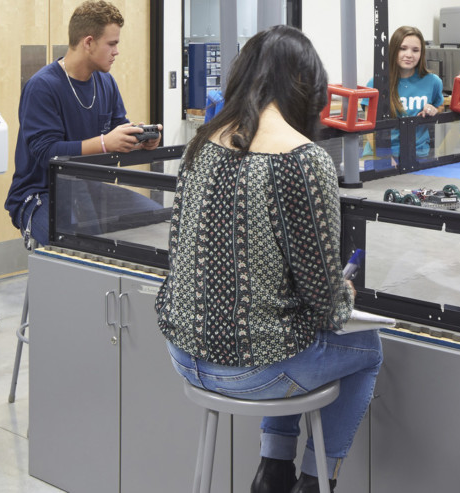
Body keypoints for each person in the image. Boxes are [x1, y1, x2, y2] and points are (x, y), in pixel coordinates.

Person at [157, 25, 382, 493]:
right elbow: (324, 302)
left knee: (286, 330)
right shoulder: (303, 159)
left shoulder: (202, 144)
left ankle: (272, 469)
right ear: (308, 84)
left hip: (183, 353)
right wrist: (345, 294)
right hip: (254, 373)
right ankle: (316, 481)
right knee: (367, 350)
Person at [4, 0, 161, 248]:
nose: (116, 51)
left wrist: (139, 139)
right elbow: (46, 152)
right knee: (76, 247)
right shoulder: (43, 87)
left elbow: (117, 129)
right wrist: (104, 143)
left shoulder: (106, 83)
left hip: (89, 191)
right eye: (112, 44)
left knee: (160, 221)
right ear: (88, 42)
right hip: (41, 194)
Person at [363, 26, 442, 167]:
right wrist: (386, 157)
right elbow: (369, 127)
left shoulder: (433, 81)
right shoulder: (376, 82)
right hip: (381, 155)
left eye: (415, 50)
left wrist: (433, 109)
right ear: (393, 50)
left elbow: (439, 106)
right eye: (403, 48)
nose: (409, 54)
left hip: (418, 153)